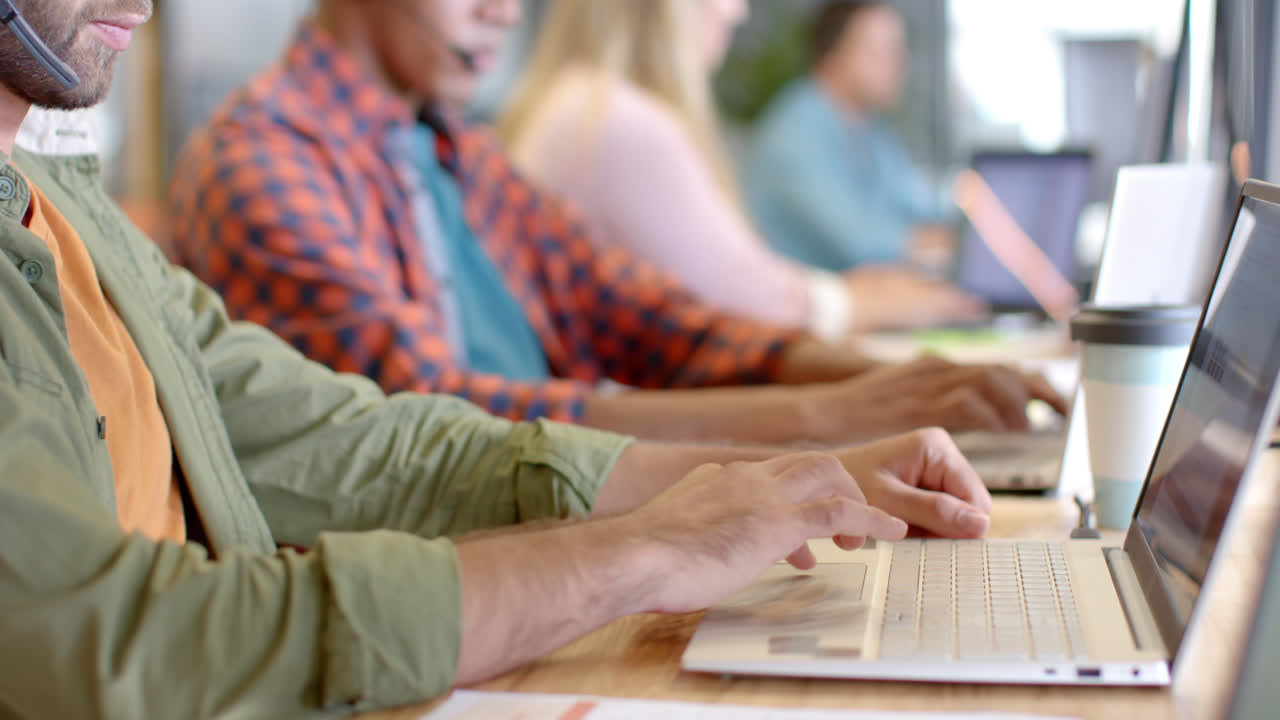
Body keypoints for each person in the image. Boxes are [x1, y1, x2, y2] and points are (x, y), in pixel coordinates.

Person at [3, 0, 1002, 715]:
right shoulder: (262, 154)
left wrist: (773, 473)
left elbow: (372, 438)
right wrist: (655, 543)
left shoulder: (73, 206)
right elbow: (122, 637)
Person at [169, 0, 1064, 448]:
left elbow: (641, 314)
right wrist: (825, 413)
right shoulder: (262, 156)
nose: (506, 11)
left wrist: (882, 386)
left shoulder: (451, 147)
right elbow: (430, 420)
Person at [498, 0, 982, 337]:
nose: (738, 10)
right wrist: (882, 299)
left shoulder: (579, 103)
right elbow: (747, 302)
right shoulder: (617, 121)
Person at [747, 1, 957, 272]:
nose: (899, 63)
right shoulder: (795, 132)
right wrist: (952, 241)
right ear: (833, 55)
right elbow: (860, 244)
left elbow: (915, 207)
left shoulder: (872, 131)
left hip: (858, 300)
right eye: (881, 50)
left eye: (899, 49)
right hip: (796, 310)